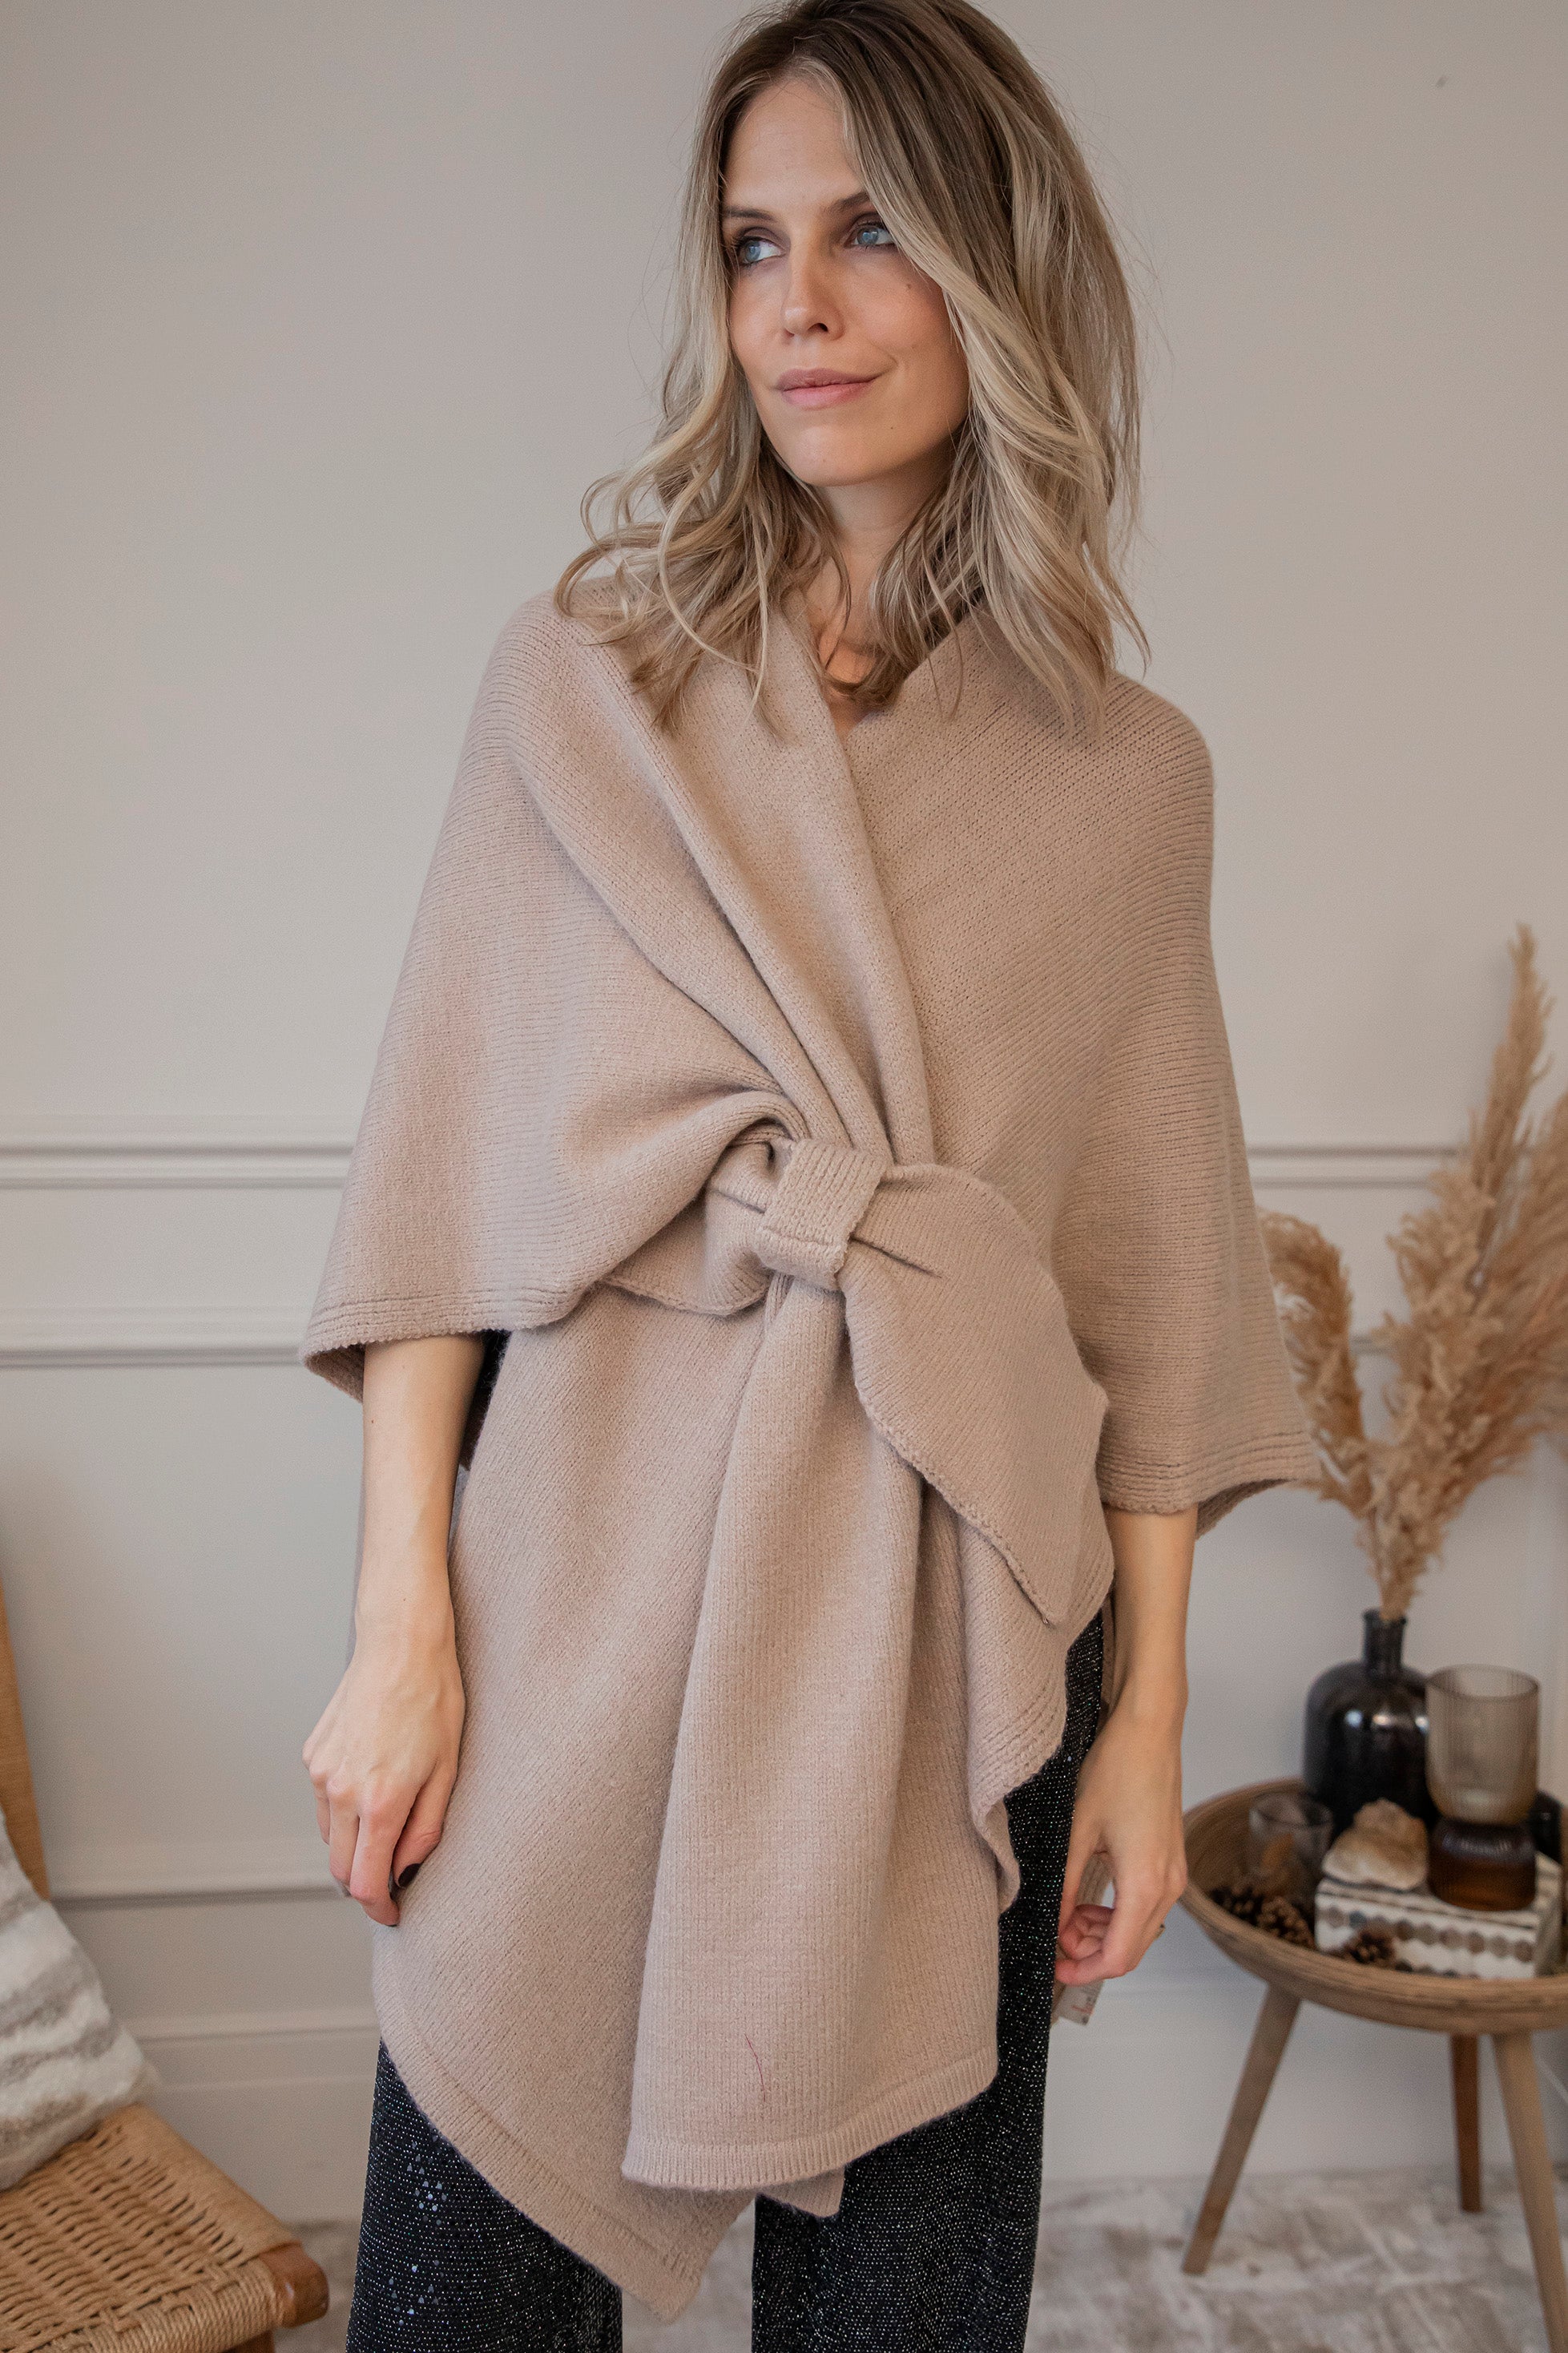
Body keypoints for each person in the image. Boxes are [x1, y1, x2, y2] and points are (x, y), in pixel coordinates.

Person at [298, 3, 1316, 2346]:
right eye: (756, 244)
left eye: (870, 234)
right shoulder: (584, 684)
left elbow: (1150, 1290)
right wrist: (402, 1625)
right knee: (462, 2294)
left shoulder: (1129, 779)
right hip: (570, 1588)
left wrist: (1147, 1723)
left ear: (998, 269)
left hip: (952, 1621)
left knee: (906, 2312)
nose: (800, 307)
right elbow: (445, 1184)